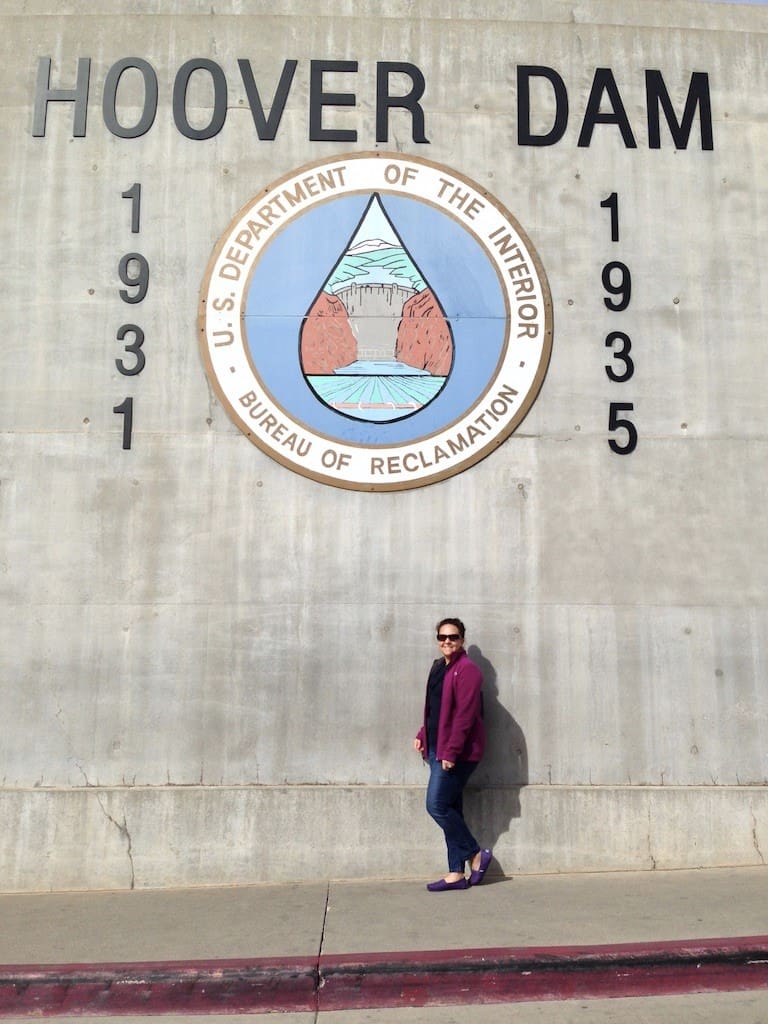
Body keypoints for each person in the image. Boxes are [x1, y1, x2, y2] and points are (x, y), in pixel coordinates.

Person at [414, 618, 493, 891]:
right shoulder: (439, 668)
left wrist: (451, 751)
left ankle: (475, 854)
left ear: (462, 639)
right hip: (438, 745)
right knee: (451, 808)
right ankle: (455, 873)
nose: (447, 641)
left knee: (435, 805)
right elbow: (436, 710)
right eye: (443, 637)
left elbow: (465, 716)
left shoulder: (468, 670)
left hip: (456, 752)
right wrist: (423, 734)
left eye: (454, 637)